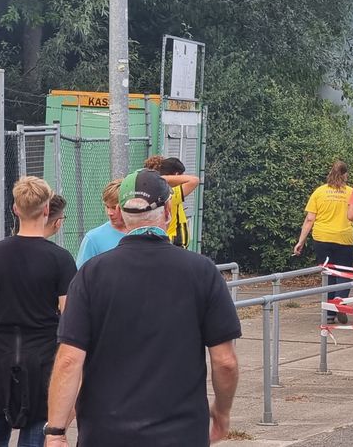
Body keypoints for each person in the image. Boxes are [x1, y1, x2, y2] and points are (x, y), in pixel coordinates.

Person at [45, 169, 241, 446]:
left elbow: (69, 360)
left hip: (106, 433)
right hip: (181, 432)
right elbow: (225, 361)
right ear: (169, 211)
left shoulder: (91, 274)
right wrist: (222, 413)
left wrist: (55, 431)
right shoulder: (202, 272)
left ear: (123, 216)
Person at [0, 177, 77, 447]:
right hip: (42, 358)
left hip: (3, 354)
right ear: (46, 210)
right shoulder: (61, 258)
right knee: (34, 435)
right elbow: (69, 316)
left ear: (15, 209)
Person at [294, 161, 353, 324]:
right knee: (344, 273)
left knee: (328, 273)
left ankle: (329, 313)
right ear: (345, 175)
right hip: (344, 238)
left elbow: (309, 219)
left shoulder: (319, 192)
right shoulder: (351, 192)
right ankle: (339, 299)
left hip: (322, 238)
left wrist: (301, 241)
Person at [143, 155, 202, 251]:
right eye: (181, 176)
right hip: (174, 243)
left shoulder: (152, 191)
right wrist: (164, 178)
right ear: (176, 175)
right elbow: (194, 180)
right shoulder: (171, 194)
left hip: (165, 243)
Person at [75, 180, 127, 268]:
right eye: (107, 206)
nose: (109, 212)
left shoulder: (143, 233)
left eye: (114, 207)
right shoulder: (93, 239)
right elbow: (81, 276)